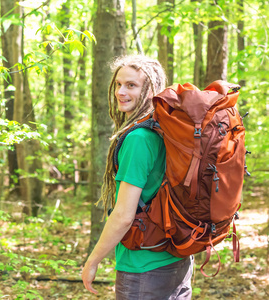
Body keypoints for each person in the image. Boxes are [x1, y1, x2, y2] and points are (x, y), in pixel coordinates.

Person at [81, 55, 194, 299]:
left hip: (144, 266)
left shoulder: (138, 139)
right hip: (178, 258)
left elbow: (123, 216)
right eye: (119, 84)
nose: (121, 91)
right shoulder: (167, 129)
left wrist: (93, 261)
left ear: (151, 90)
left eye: (131, 85)